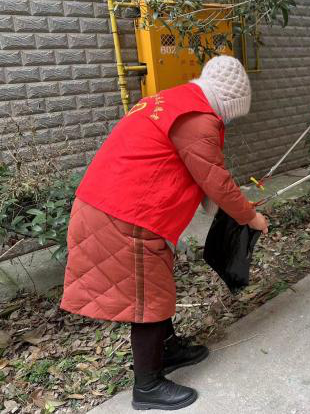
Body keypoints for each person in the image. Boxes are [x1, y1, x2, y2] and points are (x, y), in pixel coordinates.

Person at [60, 56, 269, 410]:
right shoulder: (199, 120)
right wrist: (251, 218)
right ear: (226, 101)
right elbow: (215, 179)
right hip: (124, 215)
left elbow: (194, 170)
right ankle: (148, 387)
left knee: (155, 285)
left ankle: (168, 350)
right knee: (148, 299)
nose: (229, 120)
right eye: (232, 113)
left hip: (115, 207)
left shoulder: (174, 101)